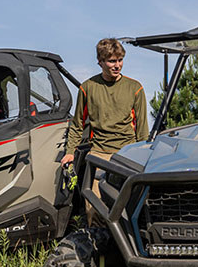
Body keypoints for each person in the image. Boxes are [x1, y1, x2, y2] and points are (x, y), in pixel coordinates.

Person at [60, 38, 148, 223]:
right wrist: (70, 152)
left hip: (127, 154)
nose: (117, 65)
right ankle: (97, 249)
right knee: (94, 208)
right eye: (111, 61)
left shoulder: (135, 88)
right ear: (100, 62)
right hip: (99, 155)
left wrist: (144, 157)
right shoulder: (88, 88)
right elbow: (77, 125)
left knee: (129, 208)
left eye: (120, 60)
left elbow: (142, 129)